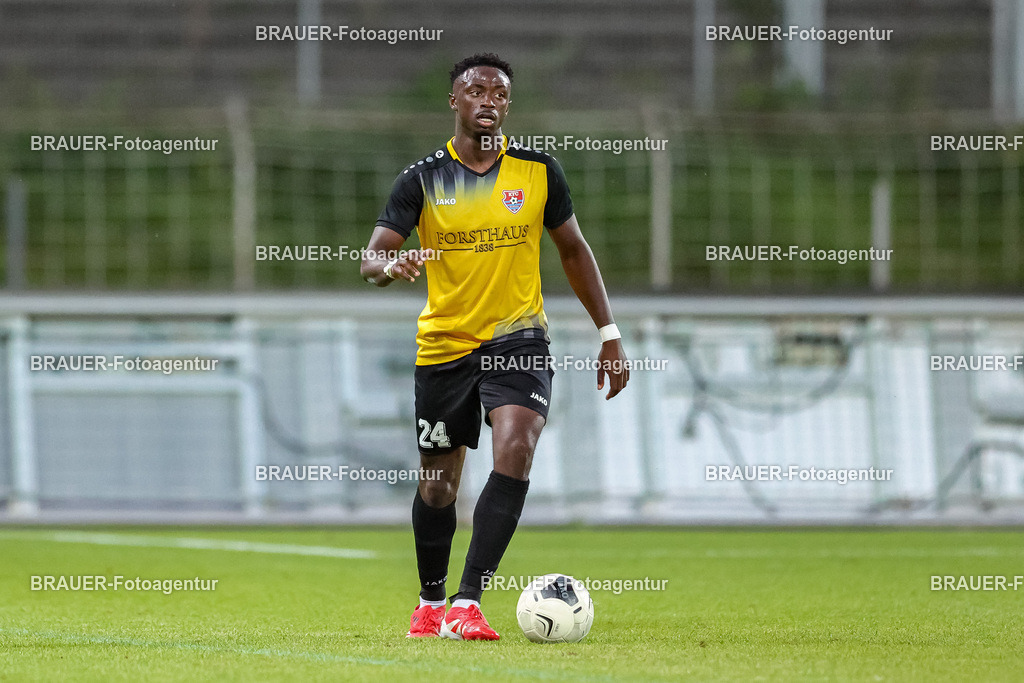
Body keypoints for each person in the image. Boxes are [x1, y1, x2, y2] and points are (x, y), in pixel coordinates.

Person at [360, 53, 629, 641]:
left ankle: (468, 600)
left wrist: (608, 333)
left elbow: (574, 250)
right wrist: (392, 263)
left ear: (508, 105)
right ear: (454, 101)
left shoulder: (538, 172)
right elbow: (371, 257)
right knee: (438, 484)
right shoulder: (422, 179)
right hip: (445, 347)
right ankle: (431, 603)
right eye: (476, 90)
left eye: (499, 93)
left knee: (517, 444)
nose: (489, 100)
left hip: (519, 340)